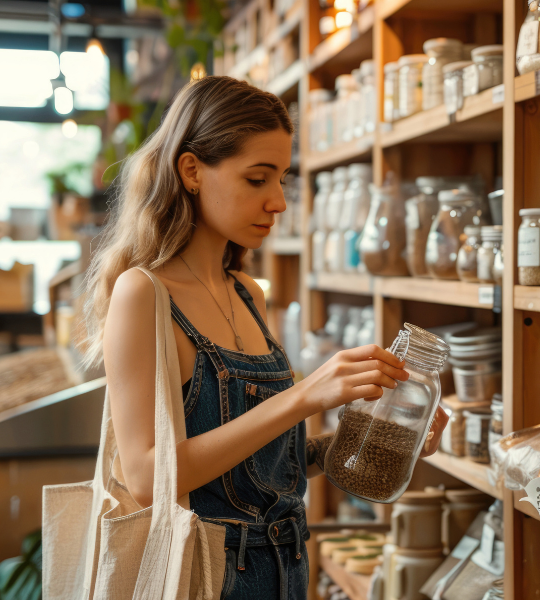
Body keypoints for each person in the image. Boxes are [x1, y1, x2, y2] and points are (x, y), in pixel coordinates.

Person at [82, 76, 448, 600]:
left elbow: (268, 464)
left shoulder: (250, 293)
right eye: (258, 179)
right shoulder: (144, 294)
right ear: (191, 171)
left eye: (282, 179)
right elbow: (146, 476)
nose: (278, 201)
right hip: (206, 575)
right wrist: (304, 397)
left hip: (287, 566)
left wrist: (390, 438)